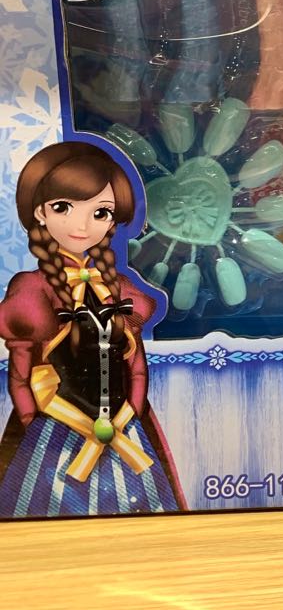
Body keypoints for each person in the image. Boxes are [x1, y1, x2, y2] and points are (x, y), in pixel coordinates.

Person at [0, 142, 184, 515]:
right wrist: (33, 423)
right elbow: (21, 375)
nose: (82, 226)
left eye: (101, 212)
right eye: (63, 208)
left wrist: (132, 411)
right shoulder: (34, 290)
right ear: (40, 211)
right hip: (57, 427)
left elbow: (135, 364)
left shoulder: (119, 289)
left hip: (122, 426)